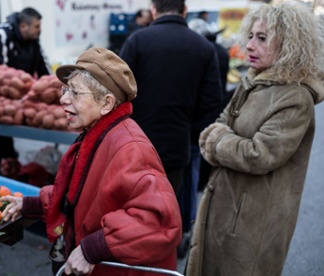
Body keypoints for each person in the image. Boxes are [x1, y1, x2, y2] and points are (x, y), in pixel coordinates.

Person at [0, 47, 182, 276]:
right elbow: (79, 199)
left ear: (106, 103)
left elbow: (159, 223)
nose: (63, 99)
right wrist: (32, 205)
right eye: (65, 89)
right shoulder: (97, 134)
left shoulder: (131, 149)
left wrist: (92, 248)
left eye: (75, 93)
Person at [187, 2, 324, 275]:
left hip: (253, 224)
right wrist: (223, 137)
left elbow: (259, 155)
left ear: (289, 45)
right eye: (250, 36)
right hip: (225, 210)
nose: (250, 45)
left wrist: (216, 143)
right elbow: (220, 122)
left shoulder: (295, 97)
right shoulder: (254, 81)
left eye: (262, 38)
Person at [119, 0, 222, 207]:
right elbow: (213, 101)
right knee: (164, 211)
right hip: (177, 146)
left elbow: (117, 89)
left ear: (153, 10)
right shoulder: (204, 47)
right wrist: (187, 126)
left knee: (128, 209)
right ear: (184, 11)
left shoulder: (137, 40)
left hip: (134, 144)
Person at [175, 13, 231, 258]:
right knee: (193, 172)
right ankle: (189, 223)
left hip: (190, 124)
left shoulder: (197, 54)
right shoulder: (219, 52)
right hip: (203, 121)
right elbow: (213, 95)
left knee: (188, 175)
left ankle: (187, 224)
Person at [0, 7, 51, 174]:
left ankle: (11, 169)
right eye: (37, 26)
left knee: (7, 141)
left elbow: (43, 67)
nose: (39, 30)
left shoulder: (33, 40)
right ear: (24, 26)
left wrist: (50, 86)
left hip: (20, 98)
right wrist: (17, 91)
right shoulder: (1, 35)